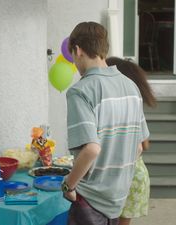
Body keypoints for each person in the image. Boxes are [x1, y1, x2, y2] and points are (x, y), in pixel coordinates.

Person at [62, 22, 149, 225]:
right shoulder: (131, 86)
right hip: (117, 199)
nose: (75, 63)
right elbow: (138, 147)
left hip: (90, 198)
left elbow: (91, 149)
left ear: (78, 50)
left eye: (73, 57)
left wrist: (69, 185)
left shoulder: (81, 91)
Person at [106, 57, 156, 225]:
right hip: (137, 174)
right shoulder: (133, 105)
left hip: (122, 176)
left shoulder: (113, 108)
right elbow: (145, 144)